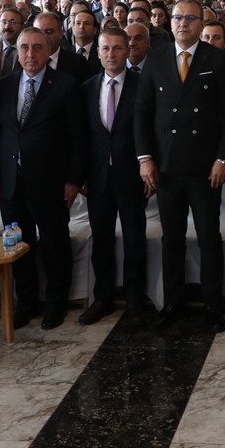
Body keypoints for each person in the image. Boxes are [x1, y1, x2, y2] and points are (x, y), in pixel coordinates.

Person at [135, 0, 225, 333]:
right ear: (170, 22)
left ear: (201, 23)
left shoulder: (216, 59)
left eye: (190, 18)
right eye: (178, 17)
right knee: (172, 239)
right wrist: (145, 158)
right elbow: (142, 112)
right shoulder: (156, 58)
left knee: (209, 237)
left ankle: (212, 305)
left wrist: (223, 159)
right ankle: (172, 303)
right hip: (166, 167)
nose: (183, 23)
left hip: (205, 167)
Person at [0, 27, 85, 330]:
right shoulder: (3, 86)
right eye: (24, 48)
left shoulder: (66, 86)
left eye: (37, 48)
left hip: (51, 182)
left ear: (48, 51)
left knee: (55, 245)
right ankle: (26, 301)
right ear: (17, 52)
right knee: (18, 245)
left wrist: (73, 179)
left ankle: (56, 303)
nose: (30, 54)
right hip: (11, 182)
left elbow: (78, 137)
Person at [79, 28, 150, 326]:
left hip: (132, 175)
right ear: (98, 53)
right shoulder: (87, 88)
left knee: (134, 240)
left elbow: (151, 131)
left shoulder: (143, 85)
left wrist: (149, 166)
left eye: (118, 48)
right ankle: (103, 298)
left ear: (127, 50)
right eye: (106, 48)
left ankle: (135, 300)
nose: (111, 54)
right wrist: (81, 174)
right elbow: (82, 136)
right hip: (98, 177)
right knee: (102, 240)